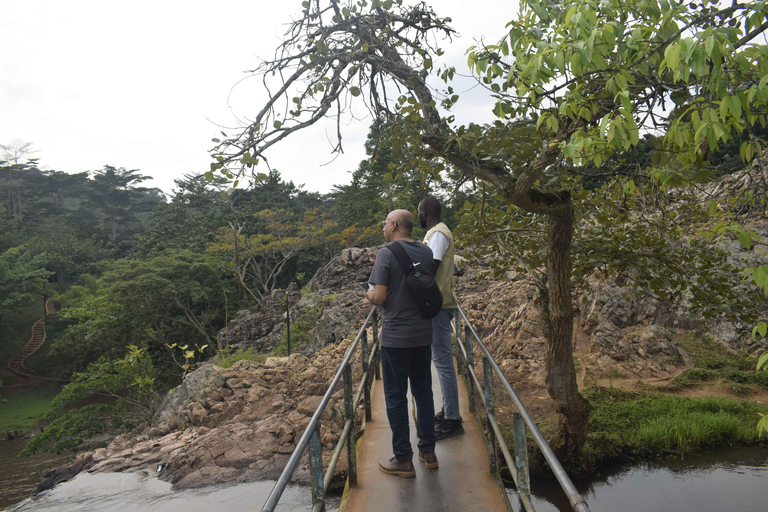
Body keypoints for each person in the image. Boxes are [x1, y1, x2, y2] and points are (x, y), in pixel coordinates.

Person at [365, 209, 438, 477]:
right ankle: (428, 452)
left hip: (396, 339)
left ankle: (403, 459)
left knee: (396, 397)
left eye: (385, 223)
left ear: (394, 225)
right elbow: (413, 277)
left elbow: (381, 296)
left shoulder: (386, 252)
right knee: (424, 392)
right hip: (422, 334)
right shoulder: (426, 252)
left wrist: (369, 295)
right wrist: (383, 263)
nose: (383, 227)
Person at [418, 196, 464, 440]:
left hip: (439, 303)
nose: (418, 215)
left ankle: (453, 419)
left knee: (444, 362)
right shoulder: (439, 232)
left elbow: (430, 268)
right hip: (441, 301)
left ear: (425, 211)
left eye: (419, 211)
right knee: (442, 361)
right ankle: (449, 410)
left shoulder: (437, 234)